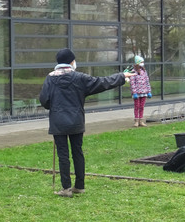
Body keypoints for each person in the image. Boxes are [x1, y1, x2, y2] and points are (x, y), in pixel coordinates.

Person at [39, 48, 134, 198]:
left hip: (58, 121)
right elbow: (102, 82)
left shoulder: (50, 79)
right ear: (71, 61)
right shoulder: (79, 78)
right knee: (77, 152)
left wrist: (55, 106)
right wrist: (121, 76)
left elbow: (44, 101)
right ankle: (79, 186)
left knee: (63, 155)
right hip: (76, 120)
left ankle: (66, 188)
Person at [128, 55, 152, 127]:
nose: (142, 63)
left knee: (142, 106)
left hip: (144, 92)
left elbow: (147, 81)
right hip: (137, 93)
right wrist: (134, 92)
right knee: (137, 106)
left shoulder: (144, 71)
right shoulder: (133, 71)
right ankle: (136, 121)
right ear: (138, 63)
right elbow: (132, 83)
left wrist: (149, 91)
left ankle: (141, 121)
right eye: (141, 62)